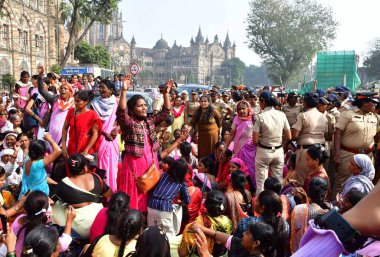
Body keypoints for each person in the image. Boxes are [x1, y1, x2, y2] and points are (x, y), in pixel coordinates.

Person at [116, 75, 171, 212]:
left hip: (151, 163)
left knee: (149, 190)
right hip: (135, 164)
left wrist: (165, 95)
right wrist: (123, 91)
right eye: (140, 106)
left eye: (145, 105)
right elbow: (121, 112)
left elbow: (166, 112)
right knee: (136, 192)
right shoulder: (129, 123)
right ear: (132, 109)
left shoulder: (149, 121)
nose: (144, 108)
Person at [52, 154, 112, 239]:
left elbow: (51, 201)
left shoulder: (64, 183)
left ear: (68, 168)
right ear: (85, 167)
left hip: (80, 229)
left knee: (55, 206)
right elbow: (109, 194)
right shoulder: (96, 177)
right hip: (98, 222)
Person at [333, 92, 380, 197]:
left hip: (368, 156)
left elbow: (376, 136)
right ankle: (337, 209)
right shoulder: (347, 114)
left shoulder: (375, 117)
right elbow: (338, 133)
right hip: (349, 155)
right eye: (373, 103)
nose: (375, 105)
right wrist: (337, 154)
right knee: (342, 183)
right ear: (364, 103)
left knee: (364, 184)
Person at [11, 190, 76, 256]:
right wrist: (69, 222)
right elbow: (62, 246)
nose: (51, 202)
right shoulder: (45, 233)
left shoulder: (20, 218)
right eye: (48, 203)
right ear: (47, 211)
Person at [252, 91, 291, 195]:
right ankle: (276, 205)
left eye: (260, 101)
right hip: (278, 151)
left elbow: (255, 140)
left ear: (263, 102)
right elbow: (289, 136)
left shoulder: (260, 116)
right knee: (277, 182)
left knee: (261, 182)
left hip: (264, 151)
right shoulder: (282, 115)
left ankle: (260, 207)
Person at [179, 190, 233, 257]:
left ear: (205, 204)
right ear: (224, 208)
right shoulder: (228, 223)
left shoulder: (194, 226)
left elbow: (182, 253)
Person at [235, 190, 289, 257]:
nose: (254, 201)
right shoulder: (285, 225)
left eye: (257, 200)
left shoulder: (246, 223)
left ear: (262, 208)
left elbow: (235, 244)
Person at [147, 159, 190, 237]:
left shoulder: (164, 175)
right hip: (164, 209)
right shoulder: (182, 182)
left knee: (151, 234)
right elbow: (187, 201)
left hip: (151, 205)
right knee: (168, 237)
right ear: (184, 172)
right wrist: (180, 203)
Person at [291, 93, 328, 185]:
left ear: (305, 103)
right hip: (320, 150)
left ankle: (305, 198)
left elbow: (294, 135)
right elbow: (327, 134)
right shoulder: (323, 116)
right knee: (318, 179)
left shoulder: (303, 115)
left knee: (303, 181)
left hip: (306, 152)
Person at [90, 79, 119, 191]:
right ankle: (101, 191)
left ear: (111, 90)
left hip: (112, 138)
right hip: (99, 138)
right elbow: (92, 123)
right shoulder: (94, 104)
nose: (101, 90)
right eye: (99, 87)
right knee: (100, 166)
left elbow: (123, 119)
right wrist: (103, 133)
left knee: (112, 166)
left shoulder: (117, 102)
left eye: (103, 87)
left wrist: (117, 129)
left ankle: (112, 190)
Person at [290, 177, 332, 253]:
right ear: (325, 193)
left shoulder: (299, 209)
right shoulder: (331, 211)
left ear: (308, 191)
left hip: (301, 250)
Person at [190, 221, 275, 257]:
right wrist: (202, 229)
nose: (243, 233)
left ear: (256, 243)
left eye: (248, 233)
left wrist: (206, 254)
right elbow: (229, 239)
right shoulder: (247, 247)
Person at [37, 66, 75, 145]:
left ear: (70, 92)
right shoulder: (54, 99)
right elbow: (41, 90)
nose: (63, 90)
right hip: (52, 134)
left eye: (65, 89)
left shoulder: (75, 103)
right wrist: (40, 76)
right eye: (61, 89)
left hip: (68, 135)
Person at [61, 90, 102, 159]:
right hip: (72, 146)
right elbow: (65, 128)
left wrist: (87, 149)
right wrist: (64, 146)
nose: (75, 103)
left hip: (85, 149)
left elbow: (95, 134)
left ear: (86, 102)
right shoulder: (71, 111)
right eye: (75, 100)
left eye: (78, 101)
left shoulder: (92, 114)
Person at [19, 134, 61, 198]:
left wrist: (56, 184)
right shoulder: (38, 164)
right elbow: (58, 150)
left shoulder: (27, 162)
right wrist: (49, 139)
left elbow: (42, 178)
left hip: (29, 195)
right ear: (43, 152)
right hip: (37, 198)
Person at [226, 100, 256, 187]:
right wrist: (226, 147)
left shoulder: (254, 118)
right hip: (238, 148)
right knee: (238, 168)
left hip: (251, 149)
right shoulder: (236, 119)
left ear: (248, 109)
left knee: (251, 169)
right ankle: (238, 187)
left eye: (243, 108)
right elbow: (231, 134)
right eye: (239, 109)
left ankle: (252, 188)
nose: (241, 111)